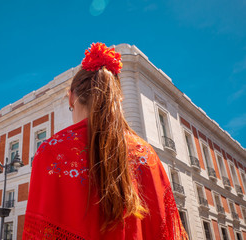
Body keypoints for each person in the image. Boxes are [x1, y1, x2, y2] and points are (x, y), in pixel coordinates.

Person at [23, 43, 189, 239]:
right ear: (116, 99)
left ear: (71, 99)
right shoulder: (147, 155)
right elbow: (166, 229)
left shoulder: (50, 152)